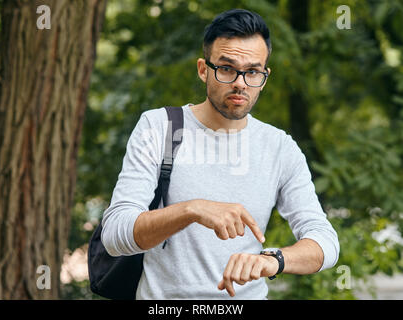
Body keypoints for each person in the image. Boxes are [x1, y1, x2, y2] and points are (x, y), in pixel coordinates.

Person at [101, 8, 340, 299]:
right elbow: (114, 235)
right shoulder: (158, 127)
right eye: (227, 68)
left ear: (264, 78)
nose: (240, 82)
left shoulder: (280, 147)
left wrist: (272, 260)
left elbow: (325, 241)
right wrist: (192, 209)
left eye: (252, 71)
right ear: (204, 69)